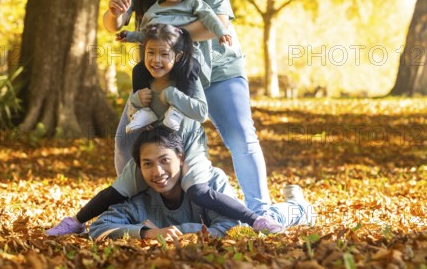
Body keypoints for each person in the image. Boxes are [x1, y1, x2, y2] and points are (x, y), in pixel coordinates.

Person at [103, 0, 272, 214]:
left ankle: (260, 212)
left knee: (239, 137)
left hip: (218, 68)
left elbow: (217, 24)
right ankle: (141, 210)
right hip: (165, 77)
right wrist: (115, 12)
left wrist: (168, 40)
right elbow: (114, 24)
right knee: (128, 142)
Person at [46, 24, 281, 236]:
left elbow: (200, 112)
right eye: (150, 53)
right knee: (119, 190)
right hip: (157, 147)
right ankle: (75, 222)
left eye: (164, 54)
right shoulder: (141, 75)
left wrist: (172, 95)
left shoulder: (187, 74)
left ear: (177, 56)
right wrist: (137, 100)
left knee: (197, 190)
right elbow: (137, 113)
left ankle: (256, 219)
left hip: (188, 145)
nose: (156, 60)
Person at [89, 127, 314, 240]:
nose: (157, 171)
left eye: (165, 160)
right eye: (147, 164)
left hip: (247, 219)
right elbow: (99, 227)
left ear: (181, 159)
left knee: (265, 218)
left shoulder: (211, 181)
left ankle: (299, 207)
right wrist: (149, 233)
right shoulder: (141, 194)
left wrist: (179, 232)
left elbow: (231, 227)